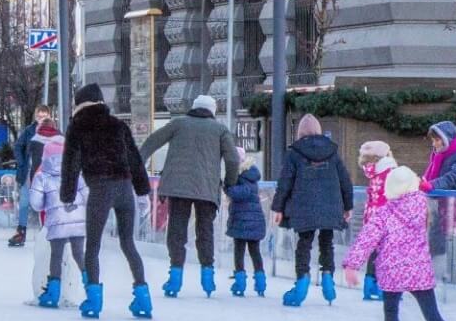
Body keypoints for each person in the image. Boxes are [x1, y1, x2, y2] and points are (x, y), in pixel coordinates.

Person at [340, 159, 456, 321]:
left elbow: (366, 239)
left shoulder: (383, 214)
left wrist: (352, 266)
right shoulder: (424, 207)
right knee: (433, 315)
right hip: (419, 271)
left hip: (392, 271)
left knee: (391, 311)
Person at [59, 83, 154, 320]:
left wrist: (67, 196)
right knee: (128, 243)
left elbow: (70, 164)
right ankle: (143, 296)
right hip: (124, 189)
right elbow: (135, 159)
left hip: (100, 189)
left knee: (93, 245)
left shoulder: (77, 127)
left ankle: (94, 299)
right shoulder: (118, 125)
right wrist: (143, 191)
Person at [137, 94, 238, 298]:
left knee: (176, 231)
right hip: (207, 189)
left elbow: (151, 142)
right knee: (205, 231)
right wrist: (230, 183)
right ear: (212, 111)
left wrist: (138, 164)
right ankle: (207, 277)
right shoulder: (220, 130)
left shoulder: (178, 124)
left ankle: (175, 277)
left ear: (193, 107)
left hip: (178, 187)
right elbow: (233, 160)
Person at [271, 114, 353, 306]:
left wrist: (278, 208)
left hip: (303, 206)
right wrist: (348, 206)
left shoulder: (294, 153)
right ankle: (327, 277)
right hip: (331, 206)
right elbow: (345, 181)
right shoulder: (332, 152)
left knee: (304, 243)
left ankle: (302, 280)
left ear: (300, 132)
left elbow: (285, 183)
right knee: (327, 242)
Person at [27, 124, 84, 308]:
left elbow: (36, 203)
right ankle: (88, 290)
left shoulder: (42, 173)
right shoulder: (77, 173)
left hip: (53, 224)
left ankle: (50, 294)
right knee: (77, 258)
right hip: (77, 224)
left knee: (52, 257)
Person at [419, 120, 456, 262]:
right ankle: (439, 277)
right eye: (433, 140)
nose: (434, 144)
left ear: (446, 139)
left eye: (437, 140)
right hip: (442, 211)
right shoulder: (442, 154)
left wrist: (431, 185)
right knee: (439, 249)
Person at [9, 112, 58, 248]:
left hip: (47, 175)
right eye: (39, 116)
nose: (41, 119)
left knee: (48, 203)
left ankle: (48, 232)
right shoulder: (29, 132)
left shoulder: (56, 134)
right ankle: (21, 231)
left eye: (44, 116)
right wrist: (22, 163)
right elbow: (18, 146)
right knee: (25, 201)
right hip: (29, 173)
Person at [224, 148, 267, 297]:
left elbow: (241, 192)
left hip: (243, 221)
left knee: (240, 251)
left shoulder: (242, 176)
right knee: (254, 251)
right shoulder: (251, 176)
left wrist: (227, 188)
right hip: (253, 221)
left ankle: (240, 282)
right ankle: (260, 281)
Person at [354, 141, 392, 301]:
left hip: (372, 216)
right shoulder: (389, 172)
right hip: (387, 217)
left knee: (375, 251)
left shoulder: (373, 172)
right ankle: (384, 287)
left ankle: (369, 286)